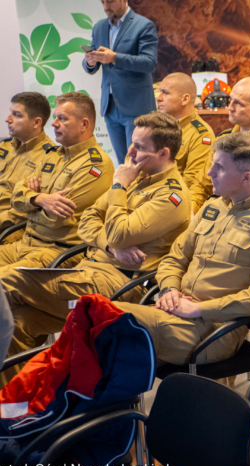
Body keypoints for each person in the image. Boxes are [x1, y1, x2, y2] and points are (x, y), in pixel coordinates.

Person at [0, 112, 190, 385]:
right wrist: (112, 246)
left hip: (121, 284)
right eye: (132, 143)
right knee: (17, 323)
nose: (131, 152)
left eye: (140, 147)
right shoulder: (136, 175)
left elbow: (118, 231)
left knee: (8, 280)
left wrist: (118, 186)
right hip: (89, 270)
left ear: (163, 152)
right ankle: (18, 408)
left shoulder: (171, 195)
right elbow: (87, 221)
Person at [112, 132, 250, 365]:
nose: (209, 173)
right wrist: (169, 290)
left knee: (103, 320)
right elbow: (175, 258)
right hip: (176, 312)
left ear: (246, 177)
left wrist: (199, 309)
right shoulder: (213, 207)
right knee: (97, 323)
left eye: (219, 168)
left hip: (216, 330)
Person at [0, 93, 114, 273]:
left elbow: (56, 219)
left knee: (3, 280)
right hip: (25, 242)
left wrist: (28, 202)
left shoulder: (96, 165)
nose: (53, 123)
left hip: (55, 250)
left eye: (62, 118)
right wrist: (39, 199)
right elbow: (16, 195)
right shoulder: (54, 155)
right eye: (55, 117)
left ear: (84, 124)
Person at [82, 0, 158, 164]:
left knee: (138, 162)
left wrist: (115, 58)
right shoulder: (99, 27)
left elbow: (149, 63)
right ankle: (124, 190)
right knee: (122, 162)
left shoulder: (144, 25)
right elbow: (93, 63)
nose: (105, 7)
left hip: (137, 106)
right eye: (102, 2)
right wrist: (90, 61)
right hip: (109, 106)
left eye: (110, 1)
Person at [156, 72, 215, 213]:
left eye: (165, 93)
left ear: (185, 99)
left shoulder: (201, 135)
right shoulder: (155, 125)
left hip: (172, 203)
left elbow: (193, 184)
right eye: (159, 92)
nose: (158, 98)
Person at [0, 93, 55, 243]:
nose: (8, 119)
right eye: (11, 112)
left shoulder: (50, 158)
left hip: (9, 227)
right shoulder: (4, 146)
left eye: (16, 115)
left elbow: (30, 207)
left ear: (36, 123)